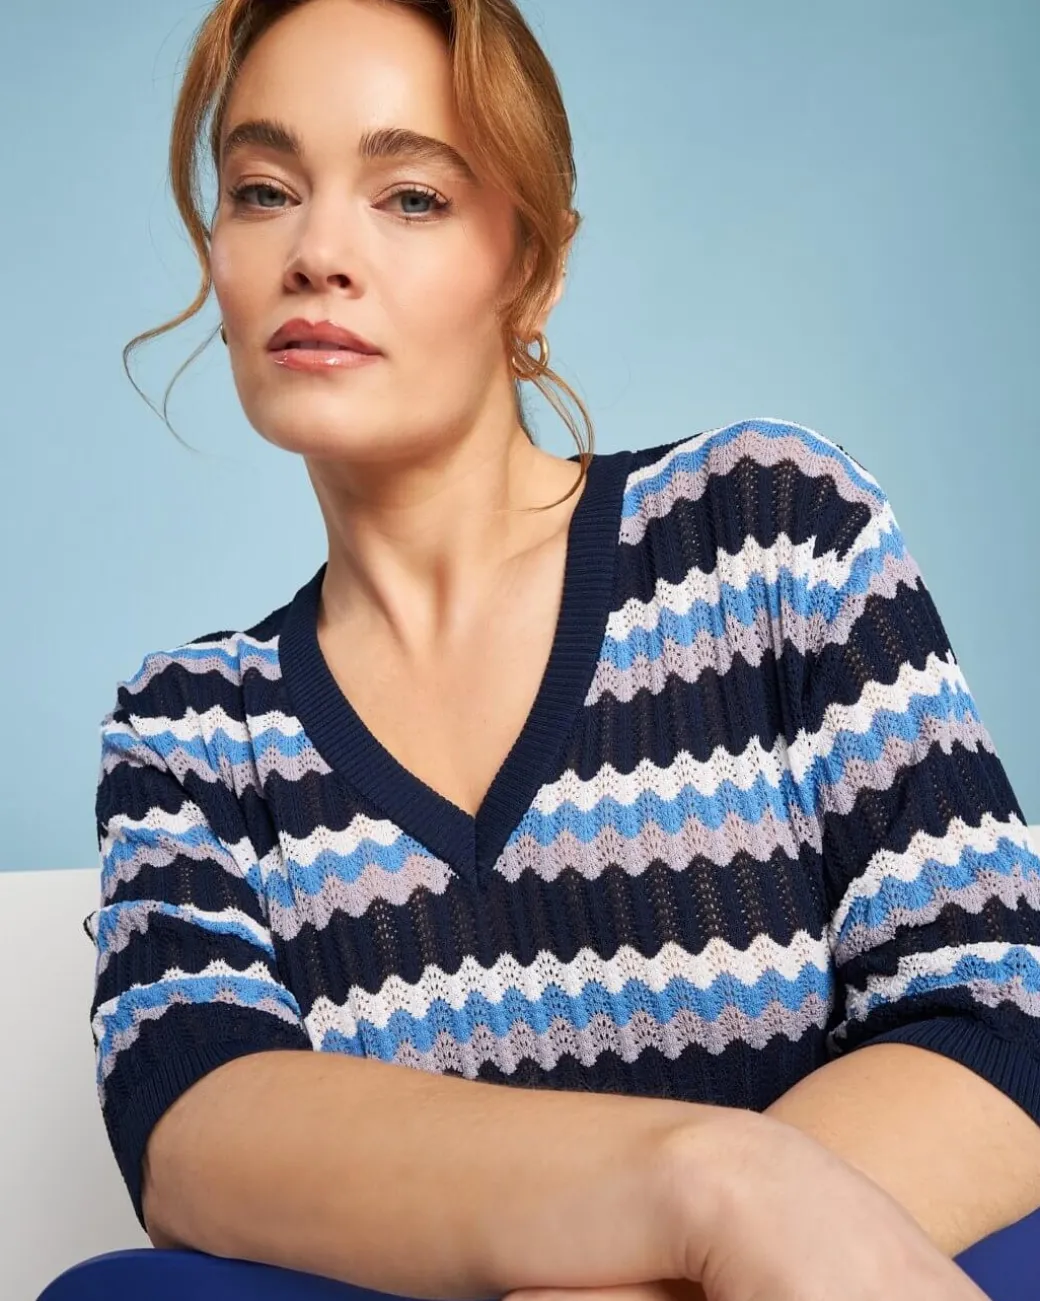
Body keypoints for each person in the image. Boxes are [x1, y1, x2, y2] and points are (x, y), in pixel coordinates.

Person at [86, 1, 1040, 1298]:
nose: (317, 253)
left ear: (531, 266)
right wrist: (713, 1185)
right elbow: (193, 1134)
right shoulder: (192, 730)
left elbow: (998, 1016)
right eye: (264, 192)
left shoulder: (768, 535)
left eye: (410, 196)